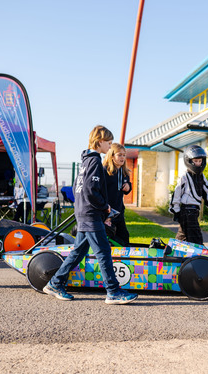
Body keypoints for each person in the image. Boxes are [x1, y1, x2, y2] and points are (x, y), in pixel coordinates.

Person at [43, 125, 137, 304]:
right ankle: (113, 291)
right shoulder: (94, 161)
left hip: (84, 213)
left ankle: (55, 283)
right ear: (100, 142)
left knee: (78, 252)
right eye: (108, 143)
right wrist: (106, 208)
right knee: (103, 252)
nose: (110, 147)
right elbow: (91, 191)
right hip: (91, 215)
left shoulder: (86, 161)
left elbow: (78, 189)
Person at [169, 145, 208, 245]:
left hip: (194, 211)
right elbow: (177, 193)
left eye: (200, 161)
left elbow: (207, 191)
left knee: (183, 235)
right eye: (195, 161)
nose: (198, 164)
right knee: (196, 237)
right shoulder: (184, 176)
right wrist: (175, 210)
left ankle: (173, 253)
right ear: (189, 161)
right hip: (186, 211)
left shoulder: (201, 177)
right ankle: (199, 256)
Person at [102, 143, 132, 246]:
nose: (122, 157)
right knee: (109, 240)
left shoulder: (124, 172)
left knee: (124, 238)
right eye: (119, 155)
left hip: (119, 212)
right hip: (107, 213)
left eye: (124, 155)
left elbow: (126, 189)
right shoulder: (105, 171)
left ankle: (124, 261)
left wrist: (128, 186)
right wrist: (106, 216)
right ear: (111, 155)